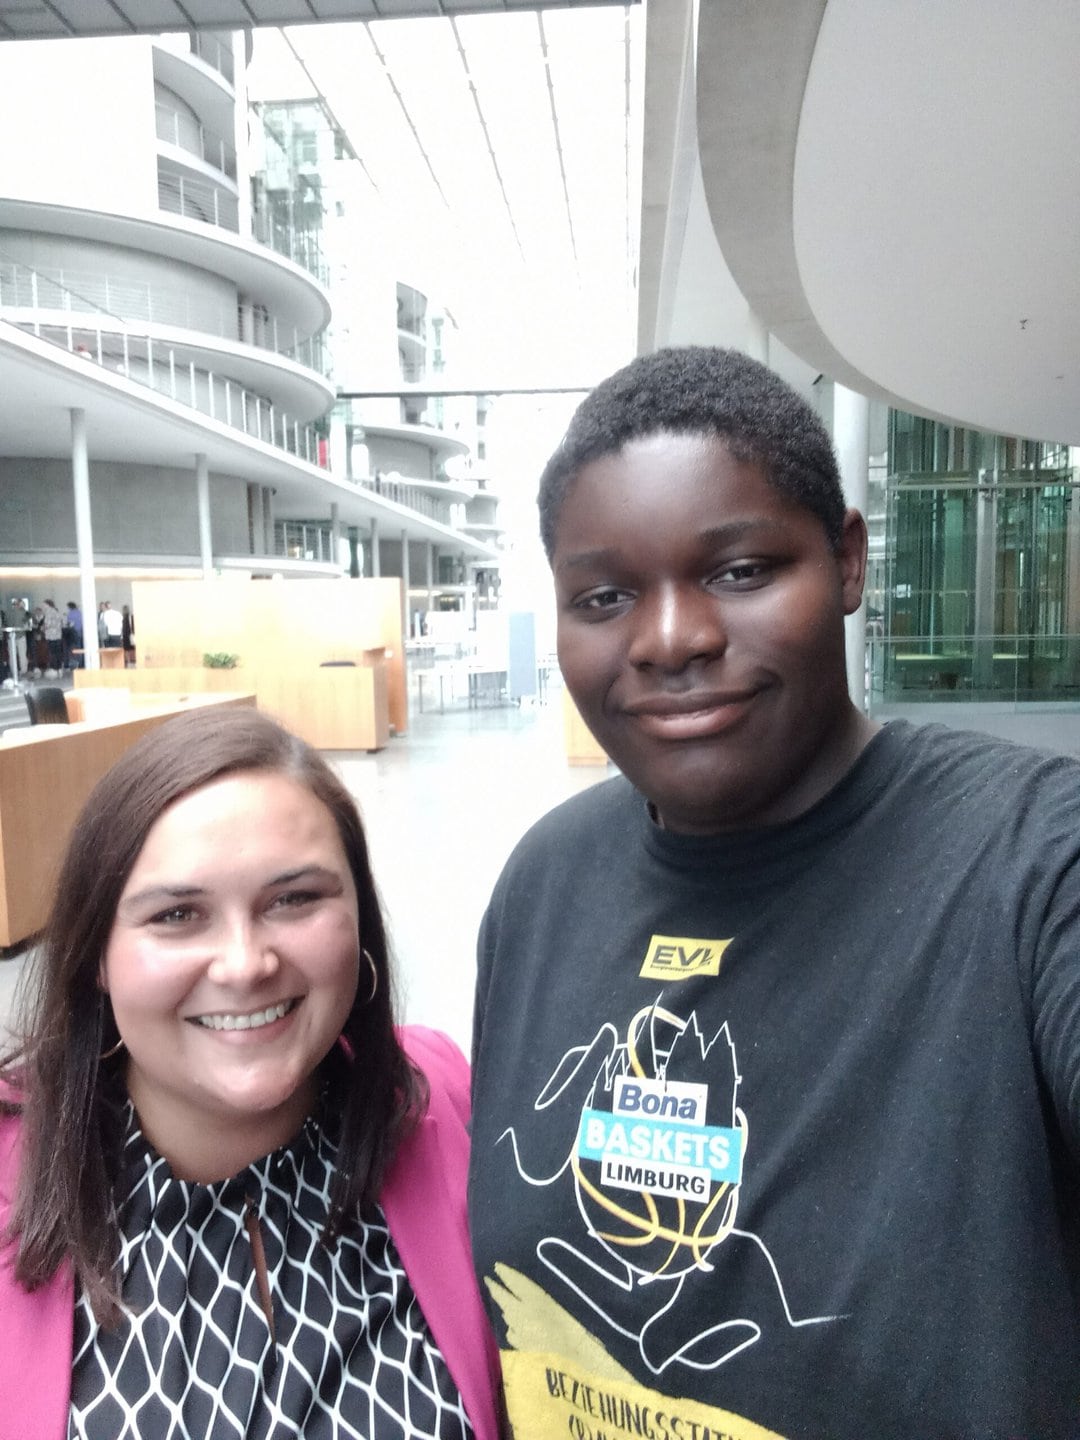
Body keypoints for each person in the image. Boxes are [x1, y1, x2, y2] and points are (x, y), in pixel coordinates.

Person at [468, 347, 1080, 1440]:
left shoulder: (1031, 860)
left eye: (741, 571)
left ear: (847, 563)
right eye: (604, 596)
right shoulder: (543, 888)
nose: (671, 640)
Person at [0, 707, 500, 1440]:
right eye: (177, 915)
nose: (245, 965)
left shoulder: (439, 1104)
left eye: (293, 899)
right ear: (96, 956)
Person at [41, 598, 64, 672]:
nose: (43, 606)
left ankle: (53, 669)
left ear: (47, 605)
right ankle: (59, 668)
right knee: (58, 653)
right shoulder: (56, 611)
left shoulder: (48, 612)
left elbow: (47, 624)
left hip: (51, 636)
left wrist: (42, 628)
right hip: (58, 635)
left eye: (44, 605)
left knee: (52, 653)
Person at [64, 600, 84, 668]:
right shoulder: (79, 612)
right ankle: (81, 663)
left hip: (73, 632)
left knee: (73, 649)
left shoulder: (70, 613)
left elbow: (70, 624)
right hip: (80, 631)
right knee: (79, 648)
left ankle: (73, 664)